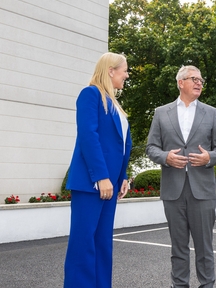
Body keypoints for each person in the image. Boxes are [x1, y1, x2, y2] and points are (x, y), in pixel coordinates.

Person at [146, 65, 216, 288]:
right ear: (181, 82)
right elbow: (151, 147)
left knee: (204, 247)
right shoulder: (161, 113)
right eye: (194, 79)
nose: (199, 83)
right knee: (178, 248)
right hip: (173, 190)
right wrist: (166, 157)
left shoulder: (211, 113)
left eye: (201, 80)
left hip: (202, 190)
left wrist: (209, 158)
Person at [64, 52, 132, 287]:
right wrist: (102, 176)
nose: (126, 74)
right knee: (83, 244)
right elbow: (88, 137)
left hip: (110, 186)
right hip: (91, 183)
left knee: (102, 243)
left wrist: (122, 177)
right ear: (111, 70)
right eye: (124, 69)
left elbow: (121, 145)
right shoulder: (90, 94)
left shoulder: (114, 104)